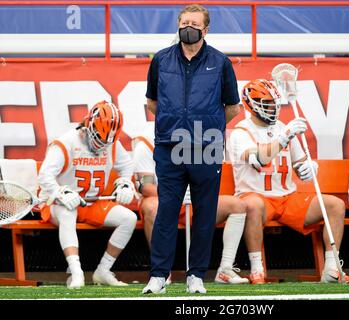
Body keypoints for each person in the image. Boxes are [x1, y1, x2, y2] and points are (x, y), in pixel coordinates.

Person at [142, 4, 240, 294]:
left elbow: (232, 107)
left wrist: (205, 128)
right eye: (184, 21)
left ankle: (196, 275)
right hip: (170, 146)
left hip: (205, 147)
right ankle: (159, 275)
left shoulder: (221, 62)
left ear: (205, 29)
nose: (188, 26)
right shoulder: (161, 60)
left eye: (194, 23)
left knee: (205, 213)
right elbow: (152, 103)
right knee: (166, 212)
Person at [228, 79, 349, 284]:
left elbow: (300, 163)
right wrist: (284, 137)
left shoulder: (282, 128)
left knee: (335, 205)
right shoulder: (241, 132)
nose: (271, 108)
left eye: (273, 103)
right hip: (257, 197)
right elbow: (259, 159)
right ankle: (257, 269)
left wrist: (309, 167)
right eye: (266, 103)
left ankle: (332, 269)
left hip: (287, 197)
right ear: (251, 104)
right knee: (251, 205)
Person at [38, 101, 137, 289]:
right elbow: (44, 175)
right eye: (98, 137)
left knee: (129, 218)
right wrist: (61, 191)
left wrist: (125, 184)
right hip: (58, 202)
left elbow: (126, 166)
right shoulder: (66, 142)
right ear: (88, 125)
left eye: (107, 141)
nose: (102, 145)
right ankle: (76, 272)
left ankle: (103, 271)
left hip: (91, 202)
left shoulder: (112, 144)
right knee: (68, 212)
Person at [132, 130, 248, 288]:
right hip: (164, 202)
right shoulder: (146, 142)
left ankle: (225, 268)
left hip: (193, 200)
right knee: (151, 206)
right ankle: (161, 273)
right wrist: (175, 195)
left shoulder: (200, 135)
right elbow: (145, 186)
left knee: (237, 205)